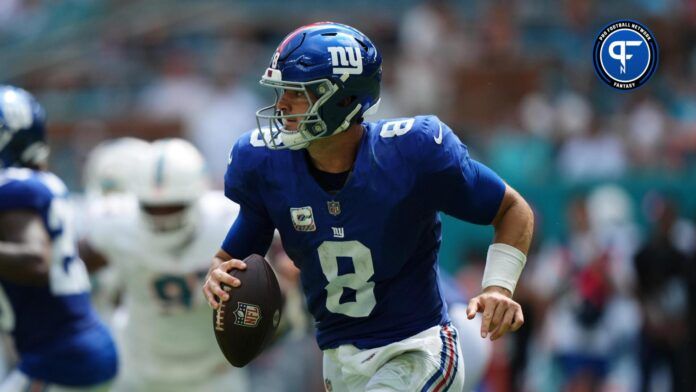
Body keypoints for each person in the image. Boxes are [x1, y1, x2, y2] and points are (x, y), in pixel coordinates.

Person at [204, 22, 534, 391]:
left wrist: (499, 288)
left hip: (416, 349)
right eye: (281, 91)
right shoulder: (264, 164)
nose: (281, 105)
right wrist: (218, 274)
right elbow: (231, 257)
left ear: (343, 100)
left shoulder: (412, 152)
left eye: (296, 94)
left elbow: (511, 209)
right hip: (339, 361)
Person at [78, 138, 249, 392]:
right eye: (153, 207)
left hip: (213, 375)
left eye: (173, 206)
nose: (162, 217)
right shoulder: (117, 224)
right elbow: (69, 267)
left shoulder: (226, 222)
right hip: (140, 373)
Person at [0, 85, 118, 391]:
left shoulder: (14, 188)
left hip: (61, 359)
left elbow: (35, 261)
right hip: (71, 350)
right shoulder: (39, 183)